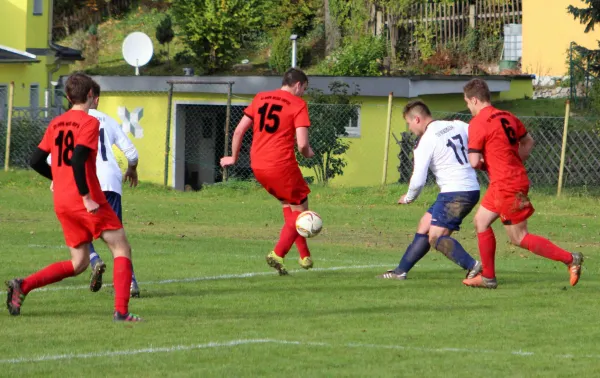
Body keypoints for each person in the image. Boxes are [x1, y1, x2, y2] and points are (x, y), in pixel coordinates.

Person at [6, 73, 142, 321]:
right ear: (91, 95)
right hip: (86, 200)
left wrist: (57, 179)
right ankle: (122, 312)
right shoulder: (89, 123)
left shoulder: (56, 123)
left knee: (79, 262)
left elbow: (35, 160)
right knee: (121, 247)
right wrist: (86, 196)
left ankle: (22, 286)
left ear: (68, 97)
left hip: (62, 202)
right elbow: (78, 158)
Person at [461, 78, 583, 289]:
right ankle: (488, 277)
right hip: (507, 180)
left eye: (467, 103)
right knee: (480, 221)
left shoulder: (478, 123)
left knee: (518, 237)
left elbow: (473, 161)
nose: (468, 107)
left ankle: (570, 259)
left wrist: (486, 164)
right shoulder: (508, 116)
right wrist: (514, 159)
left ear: (474, 99)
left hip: (506, 184)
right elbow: (528, 141)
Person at [220, 68, 315, 275]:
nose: (303, 94)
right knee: (302, 211)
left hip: (258, 166)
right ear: (298, 85)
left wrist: (233, 157)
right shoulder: (298, 104)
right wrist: (309, 153)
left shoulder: (261, 97)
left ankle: (304, 256)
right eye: (304, 89)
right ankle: (278, 253)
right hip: (281, 165)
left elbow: (238, 130)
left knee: (288, 205)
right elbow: (302, 145)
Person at [378, 101, 482, 281]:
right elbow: (479, 133)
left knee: (436, 237)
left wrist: (409, 197)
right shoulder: (456, 124)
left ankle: (474, 266)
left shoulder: (427, 141)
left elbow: (418, 180)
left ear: (417, 119)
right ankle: (400, 271)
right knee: (425, 225)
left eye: (409, 123)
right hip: (469, 188)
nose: (410, 128)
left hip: (455, 193)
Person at [87, 81, 141, 298]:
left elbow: (53, 159)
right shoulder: (109, 122)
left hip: (86, 181)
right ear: (96, 99)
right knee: (117, 238)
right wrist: (132, 169)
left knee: (77, 230)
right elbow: (133, 153)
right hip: (110, 182)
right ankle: (131, 282)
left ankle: (94, 260)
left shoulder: (71, 122)